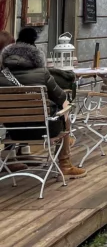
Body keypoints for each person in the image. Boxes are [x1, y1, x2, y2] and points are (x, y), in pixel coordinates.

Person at [0, 27, 85, 177]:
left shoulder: (2, 77)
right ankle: (65, 164)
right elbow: (62, 99)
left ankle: (11, 158)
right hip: (44, 130)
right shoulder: (42, 74)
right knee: (64, 109)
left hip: (12, 131)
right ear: (36, 57)